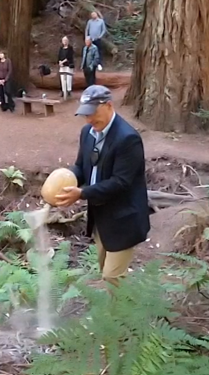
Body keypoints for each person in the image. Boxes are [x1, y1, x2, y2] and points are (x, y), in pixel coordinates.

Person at [55, 85, 150, 287]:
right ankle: (113, 311)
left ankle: (123, 317)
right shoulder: (87, 133)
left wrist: (82, 193)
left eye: (93, 113)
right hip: (100, 217)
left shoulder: (128, 139)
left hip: (124, 218)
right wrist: (67, 178)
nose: (89, 120)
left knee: (112, 275)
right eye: (85, 115)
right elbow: (82, 166)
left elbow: (120, 182)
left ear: (108, 105)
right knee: (104, 270)